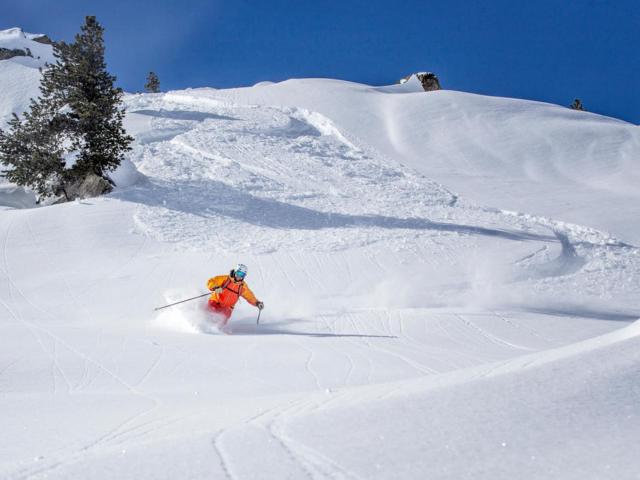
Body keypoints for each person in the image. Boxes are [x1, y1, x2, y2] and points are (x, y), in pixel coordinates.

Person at [207, 264, 264, 329]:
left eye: (242, 275)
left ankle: (217, 332)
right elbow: (211, 281)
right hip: (215, 301)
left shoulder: (242, 286)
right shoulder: (225, 279)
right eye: (238, 273)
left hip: (227, 308)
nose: (239, 276)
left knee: (221, 322)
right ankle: (204, 329)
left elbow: (249, 296)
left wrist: (257, 303)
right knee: (211, 314)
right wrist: (215, 287)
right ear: (235, 272)